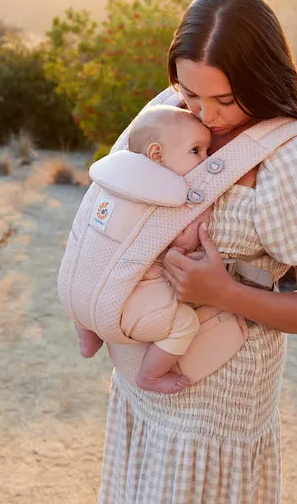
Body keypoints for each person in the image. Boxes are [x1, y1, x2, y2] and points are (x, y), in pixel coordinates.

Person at [97, 0, 297, 503]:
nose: (206, 116)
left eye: (224, 99)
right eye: (191, 92)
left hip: (218, 401)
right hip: (143, 377)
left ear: (264, 78)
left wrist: (223, 292)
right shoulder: (170, 112)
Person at [75, 104, 213, 394]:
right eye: (196, 151)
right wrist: (203, 215)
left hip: (74, 290)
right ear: (156, 155)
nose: (206, 159)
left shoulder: (112, 178)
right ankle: (150, 375)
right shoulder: (168, 196)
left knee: (85, 283)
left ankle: (87, 337)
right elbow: (184, 244)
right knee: (184, 323)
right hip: (122, 303)